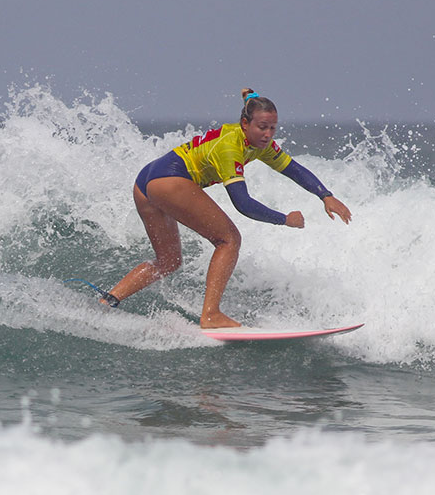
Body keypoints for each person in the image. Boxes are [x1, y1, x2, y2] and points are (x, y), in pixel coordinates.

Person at [102, 88, 352, 328]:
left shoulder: (260, 144)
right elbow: (243, 204)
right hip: (170, 179)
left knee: (169, 261)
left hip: (145, 182)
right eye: (262, 127)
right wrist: (285, 219)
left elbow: (293, 169)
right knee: (229, 240)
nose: (268, 134)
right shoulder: (230, 147)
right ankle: (210, 314)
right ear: (245, 124)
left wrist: (325, 195)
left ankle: (109, 300)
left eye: (273, 128)